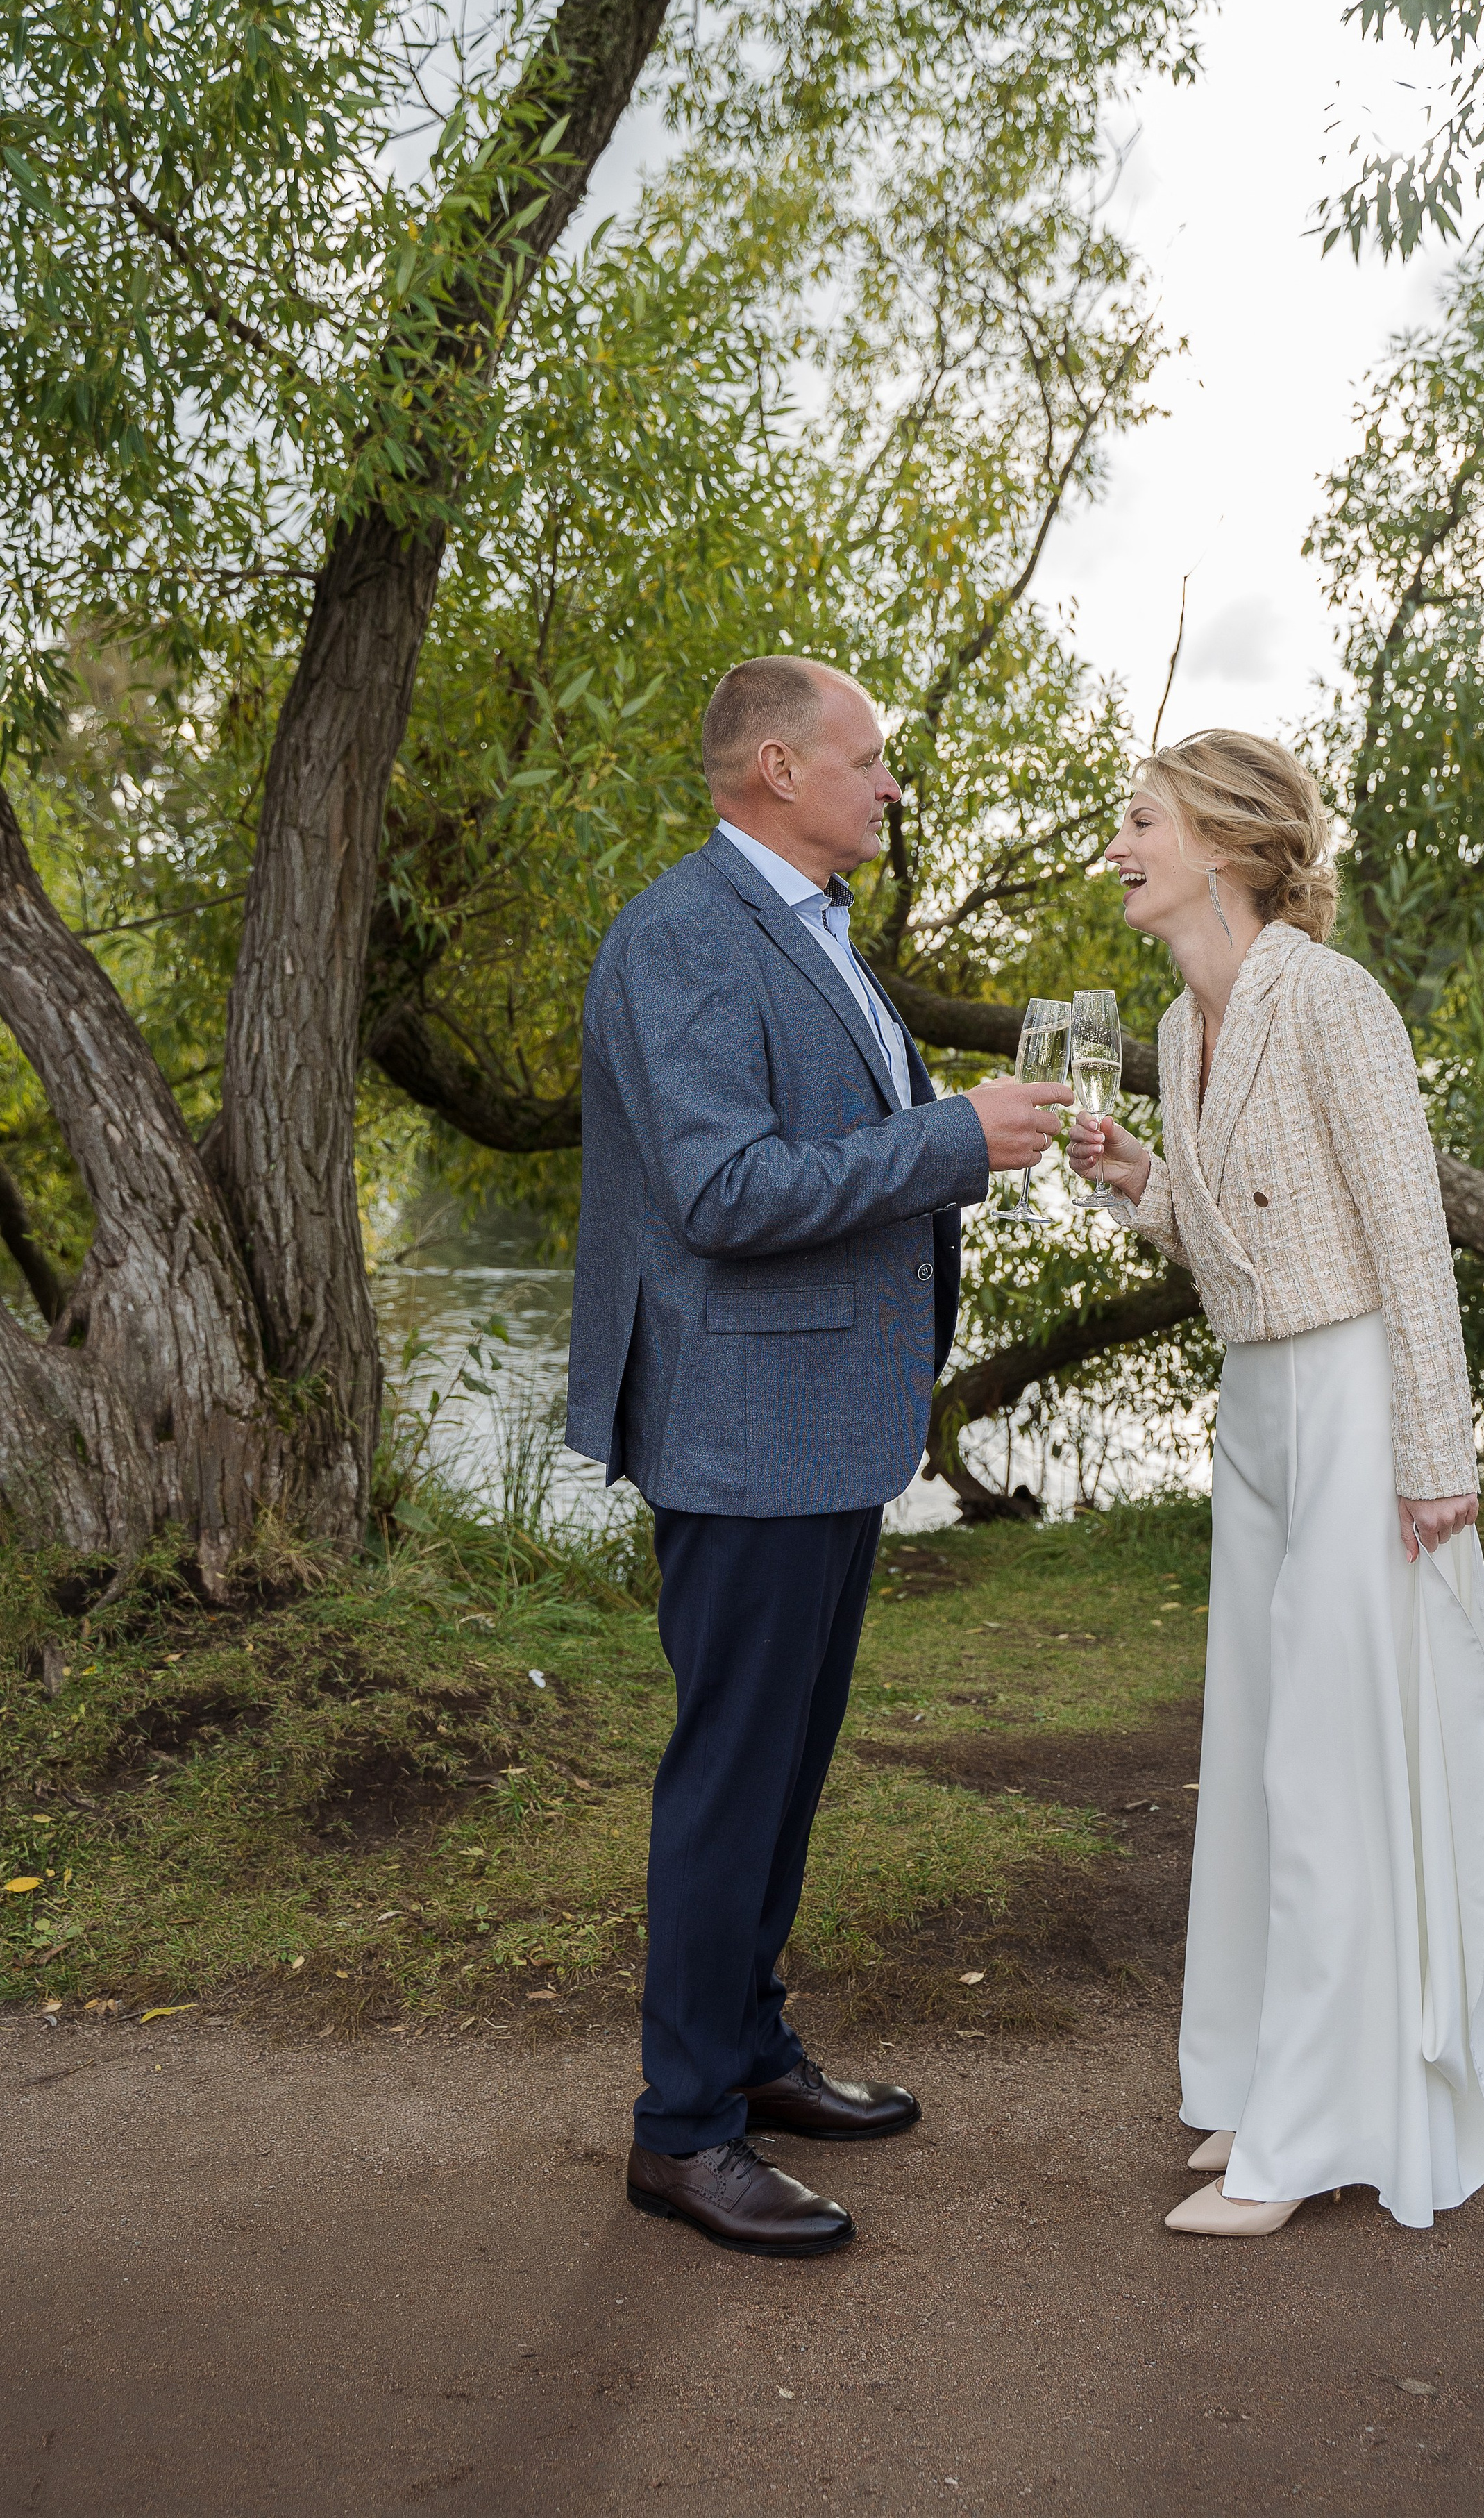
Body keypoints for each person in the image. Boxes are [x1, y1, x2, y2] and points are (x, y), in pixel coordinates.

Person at [566, 655, 1071, 2257]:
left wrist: (955, 1138)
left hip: (822, 1421)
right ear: (776, 768)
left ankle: (749, 2051)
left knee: (782, 1769)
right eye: (868, 759)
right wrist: (952, 1135)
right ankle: (680, 2133)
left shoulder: (813, 926)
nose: (890, 784)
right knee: (732, 1776)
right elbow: (722, 1192)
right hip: (740, 1426)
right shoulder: (681, 937)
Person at [1068, 730, 1484, 2238]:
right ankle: (1263, 2084)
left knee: (1330, 1764)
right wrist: (1143, 1183)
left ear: (1222, 841)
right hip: (1258, 1403)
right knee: (1262, 1750)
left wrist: (1432, 1456)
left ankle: (1317, 2133)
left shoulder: (1332, 1000)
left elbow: (1406, 1240)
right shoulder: (1179, 1019)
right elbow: (1238, 1240)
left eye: (1141, 821)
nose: (1118, 846)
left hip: (1351, 1395)